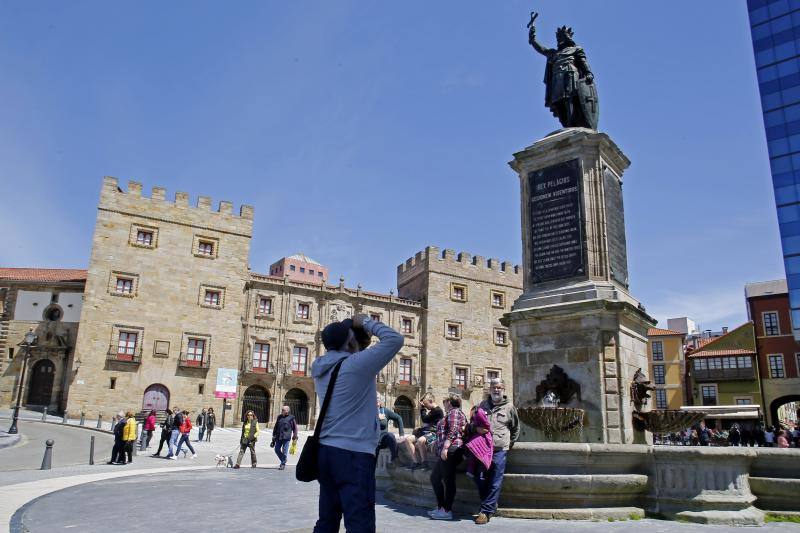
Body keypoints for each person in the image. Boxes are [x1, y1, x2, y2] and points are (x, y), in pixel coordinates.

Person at [311, 314, 403, 533]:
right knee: (360, 524)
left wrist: (351, 333)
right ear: (350, 342)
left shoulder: (319, 366)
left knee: (327, 520)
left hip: (326, 452)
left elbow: (350, 354)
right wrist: (366, 321)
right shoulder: (356, 365)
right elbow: (395, 339)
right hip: (353, 456)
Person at [472, 379, 520, 525]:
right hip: (483, 449)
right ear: (490, 389)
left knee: (495, 481)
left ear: (503, 389)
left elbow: (516, 428)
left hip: (499, 449)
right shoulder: (482, 405)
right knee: (479, 478)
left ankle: (485, 511)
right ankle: (491, 504)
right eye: (494, 387)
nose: (496, 390)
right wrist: (476, 429)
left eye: (499, 387)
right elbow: (474, 423)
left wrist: (509, 443)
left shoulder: (510, 407)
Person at [429, 394, 467, 521]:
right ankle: (441, 507)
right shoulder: (451, 413)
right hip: (448, 450)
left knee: (448, 480)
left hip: (452, 450)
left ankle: (447, 510)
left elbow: (453, 429)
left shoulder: (454, 412)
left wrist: (445, 447)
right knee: (435, 478)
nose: (443, 404)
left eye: (445, 401)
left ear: (449, 402)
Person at [401, 395, 444, 468]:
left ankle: (424, 462)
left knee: (420, 441)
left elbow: (425, 419)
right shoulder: (432, 411)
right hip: (426, 432)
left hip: (434, 433)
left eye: (426, 404)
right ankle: (415, 462)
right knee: (408, 439)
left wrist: (422, 409)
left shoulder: (438, 411)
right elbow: (427, 422)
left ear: (431, 401)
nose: (426, 407)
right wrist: (420, 428)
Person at [376, 396, 404, 462]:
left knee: (390, 436)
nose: (376, 402)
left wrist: (401, 434)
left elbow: (398, 418)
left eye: (378, 400)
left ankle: (395, 460)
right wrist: (376, 417)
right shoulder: (369, 412)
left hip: (383, 439)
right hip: (372, 440)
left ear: (380, 402)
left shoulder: (384, 411)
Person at [271, 405, 298, 470]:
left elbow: (295, 428)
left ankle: (282, 464)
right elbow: (276, 426)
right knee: (276, 449)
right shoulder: (279, 417)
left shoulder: (291, 418)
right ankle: (284, 459)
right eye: (282, 410)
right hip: (279, 436)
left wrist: (295, 436)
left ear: (287, 411)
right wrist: (274, 435)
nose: (282, 411)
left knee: (284, 451)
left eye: (283, 410)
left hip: (286, 437)